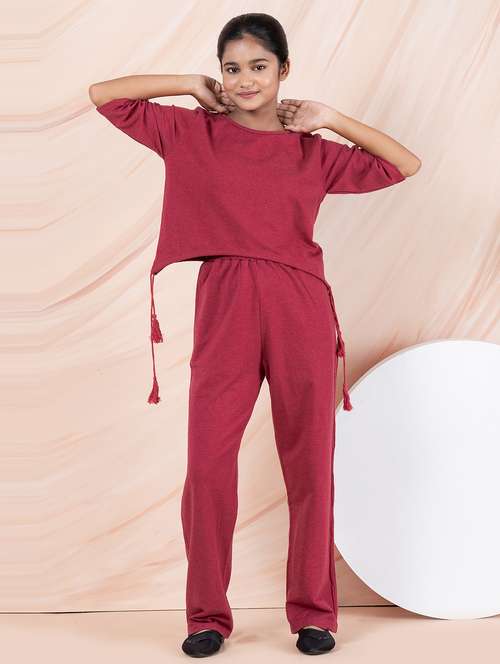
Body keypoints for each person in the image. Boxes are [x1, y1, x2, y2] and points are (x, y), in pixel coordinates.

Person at [89, 12, 421, 658]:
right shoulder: (191, 132)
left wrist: (332, 119)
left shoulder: (311, 149)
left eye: (259, 66)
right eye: (232, 68)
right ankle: (206, 618)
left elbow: (404, 164)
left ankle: (314, 614)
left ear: (284, 70)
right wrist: (187, 83)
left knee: (309, 463)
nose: (245, 80)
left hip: (300, 305)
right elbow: (105, 96)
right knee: (208, 467)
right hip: (226, 300)